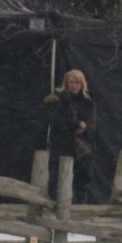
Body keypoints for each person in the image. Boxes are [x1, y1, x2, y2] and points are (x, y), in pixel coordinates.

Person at [44, 69, 95, 204]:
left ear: (82, 84)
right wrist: (76, 124)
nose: (74, 85)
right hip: (62, 144)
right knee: (60, 175)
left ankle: (78, 205)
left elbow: (91, 123)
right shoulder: (59, 99)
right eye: (72, 82)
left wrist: (84, 128)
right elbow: (58, 120)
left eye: (77, 82)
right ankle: (58, 204)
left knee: (82, 176)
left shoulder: (87, 101)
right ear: (66, 83)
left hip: (81, 147)